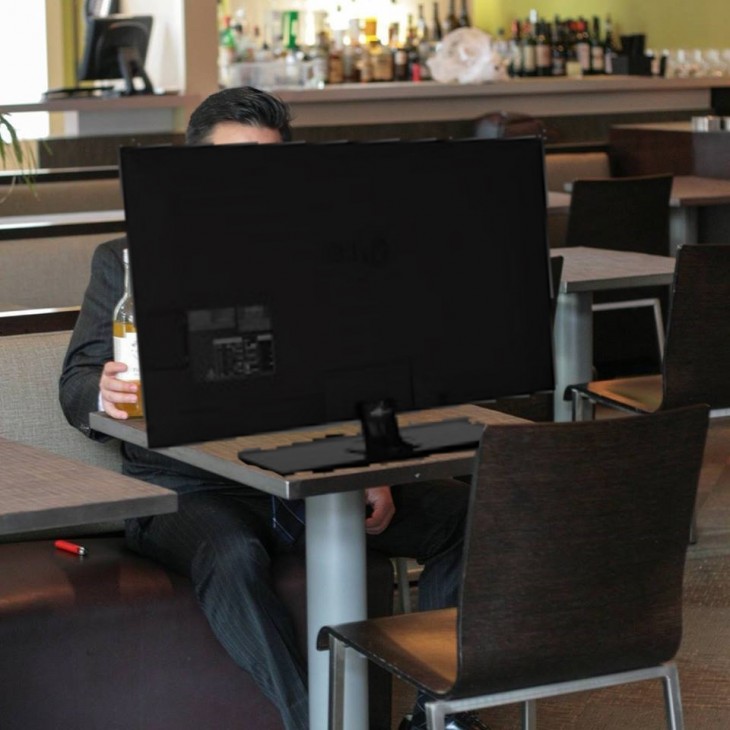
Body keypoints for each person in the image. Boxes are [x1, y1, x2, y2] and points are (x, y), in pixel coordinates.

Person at [59, 86, 487, 730]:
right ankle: (310, 722)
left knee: (469, 515)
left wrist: (376, 469)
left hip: (305, 476)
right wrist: (101, 388)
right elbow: (74, 384)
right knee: (231, 555)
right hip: (186, 487)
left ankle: (439, 718)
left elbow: (365, 376)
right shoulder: (128, 260)